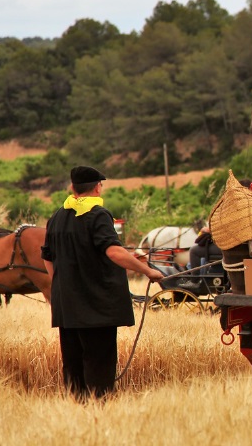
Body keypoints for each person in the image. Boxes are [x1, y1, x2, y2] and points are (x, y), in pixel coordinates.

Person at [41, 165, 165, 400]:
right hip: (95, 306)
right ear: (98, 187)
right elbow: (114, 252)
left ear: (72, 188)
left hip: (67, 306)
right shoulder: (98, 215)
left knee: (73, 364)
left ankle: (77, 409)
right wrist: (147, 271)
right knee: (99, 362)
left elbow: (48, 258)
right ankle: (100, 411)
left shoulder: (56, 217)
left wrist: (62, 285)